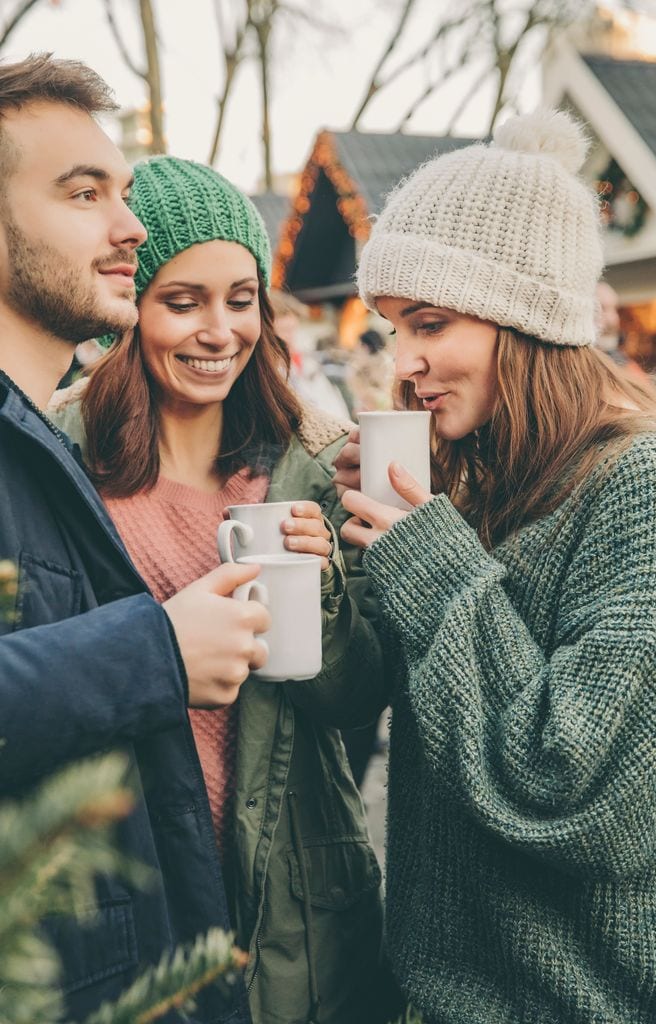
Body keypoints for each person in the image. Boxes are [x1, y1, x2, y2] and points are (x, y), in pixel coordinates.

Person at [333, 110, 656, 1024]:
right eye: (393, 326)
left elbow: (584, 793)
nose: (402, 363)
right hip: (438, 998)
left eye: (431, 322)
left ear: (523, 316)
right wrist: (361, 555)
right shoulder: (476, 483)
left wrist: (428, 559)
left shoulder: (648, 485)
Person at [49, 156, 396, 1024]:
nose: (219, 331)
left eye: (241, 299)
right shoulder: (56, 463)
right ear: (130, 306)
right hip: (126, 877)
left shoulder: (308, 464)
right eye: (183, 301)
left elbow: (354, 701)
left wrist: (320, 587)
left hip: (293, 900)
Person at [0, 53, 275, 1022]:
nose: (131, 226)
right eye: (85, 193)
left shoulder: (34, 442)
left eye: (123, 193)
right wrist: (156, 650)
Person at [270, 288, 350, 419]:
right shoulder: (268, 373)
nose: (290, 338)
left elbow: (333, 406)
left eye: (293, 330)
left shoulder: (306, 362)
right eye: (284, 330)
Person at [595, 279, 646, 379]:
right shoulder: (570, 365)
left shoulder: (626, 365)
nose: (613, 320)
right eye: (602, 308)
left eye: (615, 309)